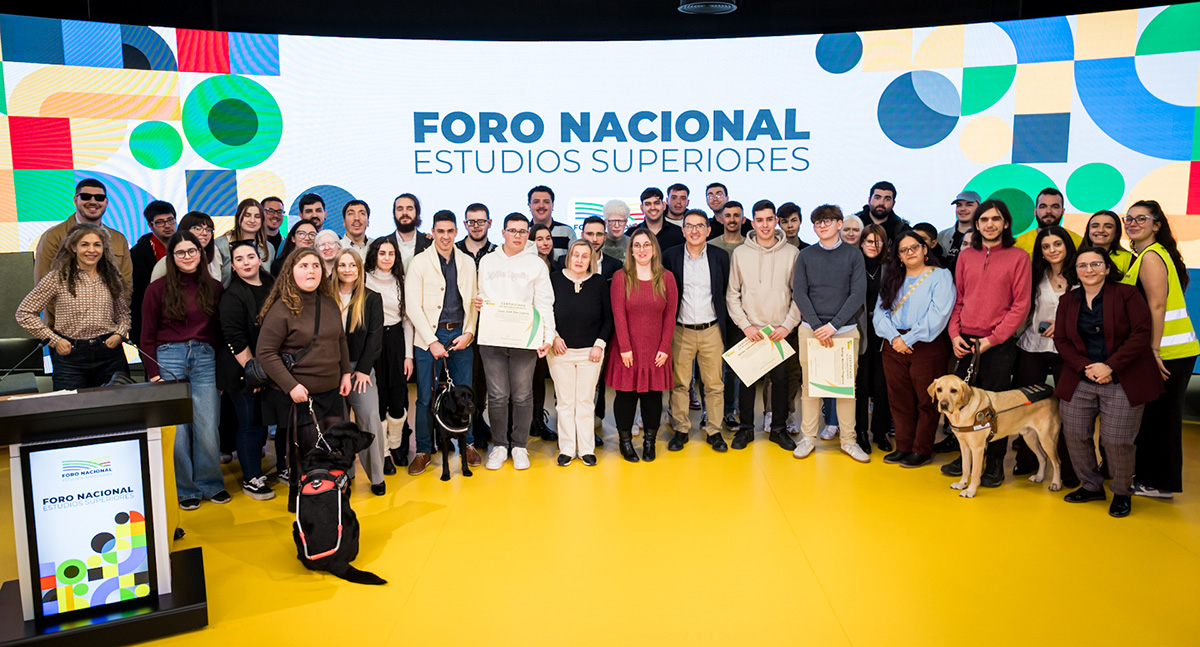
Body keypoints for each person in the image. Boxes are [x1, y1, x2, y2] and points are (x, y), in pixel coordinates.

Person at [1055, 248, 1162, 517]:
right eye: (1082, 265)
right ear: (1075, 270)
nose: (1089, 269)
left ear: (1106, 267)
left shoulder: (1127, 294)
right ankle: (1091, 486)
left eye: (1095, 264)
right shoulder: (1068, 300)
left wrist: (1110, 366)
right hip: (1081, 376)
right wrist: (1085, 367)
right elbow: (1061, 340)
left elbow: (1141, 333)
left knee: (1116, 441)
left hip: (1122, 377)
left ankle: (1122, 492)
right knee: (1075, 435)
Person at [941, 200, 1031, 486]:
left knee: (992, 406)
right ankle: (965, 455)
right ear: (976, 225)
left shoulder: (1019, 257)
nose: (989, 224)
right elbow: (959, 299)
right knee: (961, 402)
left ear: (1006, 223)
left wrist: (991, 340)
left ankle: (993, 463)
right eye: (984, 220)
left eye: (996, 219)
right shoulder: (966, 257)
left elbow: (1020, 305)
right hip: (964, 341)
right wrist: (955, 335)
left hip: (997, 344)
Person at [141, 231, 226, 509]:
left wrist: (221, 371)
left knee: (207, 427)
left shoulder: (214, 287)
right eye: (180, 252)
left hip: (205, 359)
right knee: (176, 431)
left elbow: (220, 332)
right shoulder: (157, 289)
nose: (187, 256)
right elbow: (146, 335)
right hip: (168, 359)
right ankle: (185, 489)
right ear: (171, 257)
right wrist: (153, 372)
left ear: (201, 254)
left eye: (192, 251)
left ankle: (211, 484)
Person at [1120, 200, 1198, 499]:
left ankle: (1159, 483)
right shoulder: (1147, 255)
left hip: (1168, 353)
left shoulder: (1151, 257)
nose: (1133, 222)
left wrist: (1153, 350)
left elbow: (1157, 304)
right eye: (1129, 218)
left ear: (1157, 224)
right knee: (1156, 416)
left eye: (1142, 218)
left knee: (1162, 418)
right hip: (1170, 352)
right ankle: (1151, 477)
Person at [256, 248, 352, 491]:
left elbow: (340, 339)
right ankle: (305, 509)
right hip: (302, 398)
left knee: (333, 452)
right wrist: (291, 386)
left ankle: (332, 501)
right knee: (308, 461)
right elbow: (265, 353)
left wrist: (345, 374)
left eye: (316, 266)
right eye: (304, 266)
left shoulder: (329, 302)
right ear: (291, 272)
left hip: (332, 394)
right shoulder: (282, 308)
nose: (311, 270)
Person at [476, 214, 554, 471]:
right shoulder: (487, 261)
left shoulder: (536, 265)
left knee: (522, 395)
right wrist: (477, 301)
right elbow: (478, 294)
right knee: (497, 395)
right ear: (503, 232)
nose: (518, 235)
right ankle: (500, 445)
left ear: (528, 234)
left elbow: (544, 303)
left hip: (525, 339)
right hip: (492, 339)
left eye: (523, 231)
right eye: (513, 230)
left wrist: (548, 336)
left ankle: (519, 446)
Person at [405, 210, 480, 475]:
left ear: (456, 231)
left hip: (460, 334)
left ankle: (468, 444)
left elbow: (473, 301)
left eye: (450, 231)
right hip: (428, 338)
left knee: (465, 393)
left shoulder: (468, 262)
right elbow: (413, 307)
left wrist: (469, 333)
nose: (445, 236)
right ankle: (424, 450)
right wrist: (431, 341)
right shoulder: (418, 262)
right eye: (440, 231)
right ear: (433, 232)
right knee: (426, 397)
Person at [792, 204, 868, 462]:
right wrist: (816, 326)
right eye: (817, 222)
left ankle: (848, 440)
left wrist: (833, 326)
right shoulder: (805, 255)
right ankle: (807, 438)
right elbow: (799, 293)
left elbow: (857, 294)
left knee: (845, 389)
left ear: (839, 224)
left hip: (844, 331)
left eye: (828, 221)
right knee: (810, 388)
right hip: (810, 331)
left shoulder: (853, 256)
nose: (822, 226)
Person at [873, 230, 953, 467]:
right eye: (904, 250)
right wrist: (894, 337)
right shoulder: (892, 278)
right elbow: (880, 312)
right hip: (893, 345)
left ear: (925, 249)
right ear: (898, 256)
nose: (910, 253)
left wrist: (908, 340)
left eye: (914, 247)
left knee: (926, 401)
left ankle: (922, 449)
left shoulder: (940, 276)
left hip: (926, 345)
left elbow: (938, 315)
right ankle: (904, 446)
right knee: (899, 400)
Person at [16, 224, 130, 390]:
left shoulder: (111, 276)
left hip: (110, 353)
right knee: (70, 409)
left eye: (97, 245)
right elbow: (24, 313)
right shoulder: (57, 277)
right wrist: (55, 340)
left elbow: (123, 314)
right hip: (71, 356)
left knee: (118, 407)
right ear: (73, 247)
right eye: (85, 244)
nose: (92, 250)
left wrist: (120, 333)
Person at [727, 200, 801, 452]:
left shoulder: (792, 254)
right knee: (747, 383)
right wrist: (745, 325)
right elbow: (732, 294)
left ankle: (778, 430)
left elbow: (798, 294)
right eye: (760, 220)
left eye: (770, 219)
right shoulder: (740, 253)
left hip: (780, 332)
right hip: (750, 331)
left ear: (776, 221)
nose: (765, 225)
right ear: (752, 221)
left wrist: (788, 325)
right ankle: (746, 429)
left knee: (780, 383)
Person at [1012, 226, 1080, 486]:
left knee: (1069, 411)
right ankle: (1027, 462)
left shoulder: (1080, 276)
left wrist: (1064, 327)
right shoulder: (1034, 276)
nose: (1052, 250)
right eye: (1046, 246)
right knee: (1027, 407)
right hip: (1033, 348)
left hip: (1068, 352)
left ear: (1067, 246)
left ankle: (1071, 470)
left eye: (1057, 245)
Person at [663, 211, 730, 452]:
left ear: (708, 230)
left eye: (699, 226)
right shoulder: (670, 256)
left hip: (711, 328)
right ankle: (681, 429)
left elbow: (725, 293)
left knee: (714, 384)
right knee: (680, 383)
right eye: (689, 226)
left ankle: (714, 430)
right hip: (681, 330)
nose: (694, 231)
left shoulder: (720, 257)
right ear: (682, 231)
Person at [607, 229, 677, 462]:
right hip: (627, 349)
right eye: (637, 245)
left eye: (646, 245)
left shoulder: (666, 278)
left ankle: (649, 441)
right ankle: (625, 441)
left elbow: (670, 315)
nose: (642, 250)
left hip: (655, 349)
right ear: (631, 250)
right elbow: (618, 314)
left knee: (652, 397)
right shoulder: (621, 277)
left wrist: (665, 347)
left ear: (654, 248)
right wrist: (625, 347)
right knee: (626, 397)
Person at [216, 240, 275, 500]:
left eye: (250, 256)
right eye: (239, 259)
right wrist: (255, 371)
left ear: (259, 258)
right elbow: (235, 338)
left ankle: (266, 470)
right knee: (249, 424)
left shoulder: (273, 286)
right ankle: (251, 478)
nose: (246, 262)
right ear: (234, 266)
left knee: (262, 422)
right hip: (244, 371)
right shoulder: (232, 295)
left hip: (269, 367)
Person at [549, 240, 613, 465]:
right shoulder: (555, 279)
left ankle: (586, 448)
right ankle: (567, 448)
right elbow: (545, 311)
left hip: (591, 353)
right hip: (560, 351)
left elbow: (608, 318)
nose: (579, 260)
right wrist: (554, 337)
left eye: (585, 256)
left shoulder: (598, 283)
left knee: (585, 401)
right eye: (576, 255)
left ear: (591, 260)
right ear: (569, 256)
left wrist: (599, 344)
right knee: (565, 402)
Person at [332, 248, 387, 495]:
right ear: (335, 268)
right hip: (331, 370)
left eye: (352, 265)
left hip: (360, 370)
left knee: (369, 418)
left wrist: (364, 370)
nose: (347, 270)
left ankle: (377, 477)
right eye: (342, 265)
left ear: (359, 269)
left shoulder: (372, 298)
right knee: (338, 424)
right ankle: (345, 474)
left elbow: (375, 338)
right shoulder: (324, 296)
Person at [35, 178, 132, 305]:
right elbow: (43, 288)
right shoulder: (53, 237)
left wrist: (117, 317)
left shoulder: (118, 239)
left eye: (99, 198)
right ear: (76, 200)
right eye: (86, 196)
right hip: (65, 323)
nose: (93, 202)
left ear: (106, 202)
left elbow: (126, 284)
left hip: (110, 322)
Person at [365, 237, 414, 474]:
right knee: (379, 400)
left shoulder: (401, 282)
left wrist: (408, 355)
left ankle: (396, 445)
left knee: (397, 400)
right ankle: (383, 453)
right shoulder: (362, 279)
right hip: (372, 343)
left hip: (396, 342)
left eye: (391, 253)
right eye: (382, 252)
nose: (386, 257)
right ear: (374, 254)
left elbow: (407, 322)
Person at [456, 204, 496, 448]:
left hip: (492, 323)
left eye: (481, 221)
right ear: (465, 224)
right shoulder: (455, 250)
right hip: (461, 323)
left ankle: (479, 419)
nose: (476, 226)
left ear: (490, 223)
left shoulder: (497, 252)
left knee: (483, 377)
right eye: (471, 222)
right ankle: (464, 425)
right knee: (465, 377)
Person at [853, 223, 892, 454]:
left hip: (883, 333)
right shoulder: (853, 265)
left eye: (878, 241)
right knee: (860, 385)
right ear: (861, 242)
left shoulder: (890, 267)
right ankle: (860, 432)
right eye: (869, 241)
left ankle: (880, 432)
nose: (873, 245)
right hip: (858, 331)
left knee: (882, 386)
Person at [709, 199, 746, 429]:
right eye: (728, 215)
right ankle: (708, 411)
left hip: (740, 316)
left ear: (743, 219)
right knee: (710, 366)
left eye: (736, 216)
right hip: (713, 314)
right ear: (721, 218)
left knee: (734, 366)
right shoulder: (710, 245)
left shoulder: (749, 246)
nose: (731, 220)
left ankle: (730, 411)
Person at [529, 222, 559, 441]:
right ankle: (527, 422)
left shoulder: (558, 267)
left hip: (550, 332)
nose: (545, 242)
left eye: (548, 238)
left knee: (541, 379)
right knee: (526, 381)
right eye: (539, 239)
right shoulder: (526, 266)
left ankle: (539, 420)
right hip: (528, 330)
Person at [131, 200, 176, 344]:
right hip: (151, 322)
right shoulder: (138, 253)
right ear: (150, 225)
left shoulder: (188, 246)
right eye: (160, 222)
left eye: (170, 220)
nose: (167, 225)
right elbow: (136, 295)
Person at [216, 198, 274, 286]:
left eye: (257, 216)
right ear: (238, 217)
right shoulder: (220, 244)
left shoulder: (268, 247)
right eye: (247, 215)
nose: (252, 220)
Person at [152, 212, 222, 282]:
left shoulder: (214, 253)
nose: (204, 233)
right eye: (197, 228)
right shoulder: (165, 263)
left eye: (209, 230)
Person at [1014, 187, 1083, 256]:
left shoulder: (1078, 242)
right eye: (1043, 206)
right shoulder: (1018, 244)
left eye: (1055, 207)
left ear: (1062, 211)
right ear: (1035, 211)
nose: (1048, 211)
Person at [528, 185, 575, 262]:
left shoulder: (566, 231)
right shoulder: (524, 232)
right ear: (530, 205)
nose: (541, 206)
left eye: (546, 202)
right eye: (536, 202)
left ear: (552, 205)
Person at [937, 190, 979, 274]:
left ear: (979, 208)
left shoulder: (984, 236)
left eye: (969, 205)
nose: (963, 209)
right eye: (959, 205)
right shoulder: (942, 236)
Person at [387, 193, 431, 270]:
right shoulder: (382, 244)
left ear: (417, 213)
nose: (404, 213)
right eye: (400, 209)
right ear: (394, 213)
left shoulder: (430, 244)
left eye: (409, 209)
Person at [1084, 210, 1132, 274]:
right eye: (1095, 226)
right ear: (1088, 231)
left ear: (1116, 232)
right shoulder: (1077, 256)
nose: (1101, 230)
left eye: (1108, 227)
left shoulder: (1128, 259)